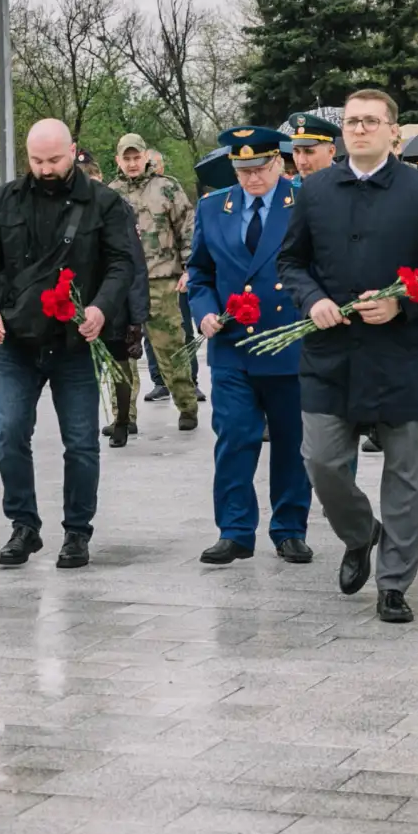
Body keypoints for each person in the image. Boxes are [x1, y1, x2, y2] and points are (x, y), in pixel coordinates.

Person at [277, 88, 418, 624]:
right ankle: (361, 533)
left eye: (370, 121)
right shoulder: (315, 190)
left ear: (393, 132)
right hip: (330, 354)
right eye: (352, 122)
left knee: (405, 476)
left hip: (398, 356)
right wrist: (312, 300)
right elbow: (291, 262)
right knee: (320, 460)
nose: (359, 129)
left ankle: (394, 583)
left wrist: (404, 301)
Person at [0, 119, 139, 570]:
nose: (45, 169)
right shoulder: (7, 199)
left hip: (75, 343)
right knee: (9, 435)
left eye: (54, 160)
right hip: (17, 340)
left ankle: (77, 532)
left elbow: (122, 264)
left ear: (73, 151)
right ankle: (23, 525)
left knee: (81, 443)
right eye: (36, 160)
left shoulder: (104, 203)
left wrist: (101, 308)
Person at [186, 126, 311, 565]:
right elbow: (200, 272)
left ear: (279, 162)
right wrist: (204, 311)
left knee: (291, 440)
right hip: (232, 345)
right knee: (234, 436)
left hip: (286, 340)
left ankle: (290, 528)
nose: (252, 178)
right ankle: (235, 530)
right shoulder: (213, 207)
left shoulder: (303, 203)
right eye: (243, 171)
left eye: (260, 168)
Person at [109, 133, 198, 441]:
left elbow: (187, 228)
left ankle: (187, 406)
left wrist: (189, 267)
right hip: (123, 284)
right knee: (121, 351)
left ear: (146, 156)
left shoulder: (167, 187)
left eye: (137, 157)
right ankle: (123, 416)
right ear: (118, 160)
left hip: (161, 280)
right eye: (127, 158)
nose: (133, 163)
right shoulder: (110, 194)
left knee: (170, 347)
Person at [284, 111, 341, 181]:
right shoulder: (290, 186)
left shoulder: (348, 185)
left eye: (309, 152)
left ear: (331, 151)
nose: (301, 161)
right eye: (296, 151)